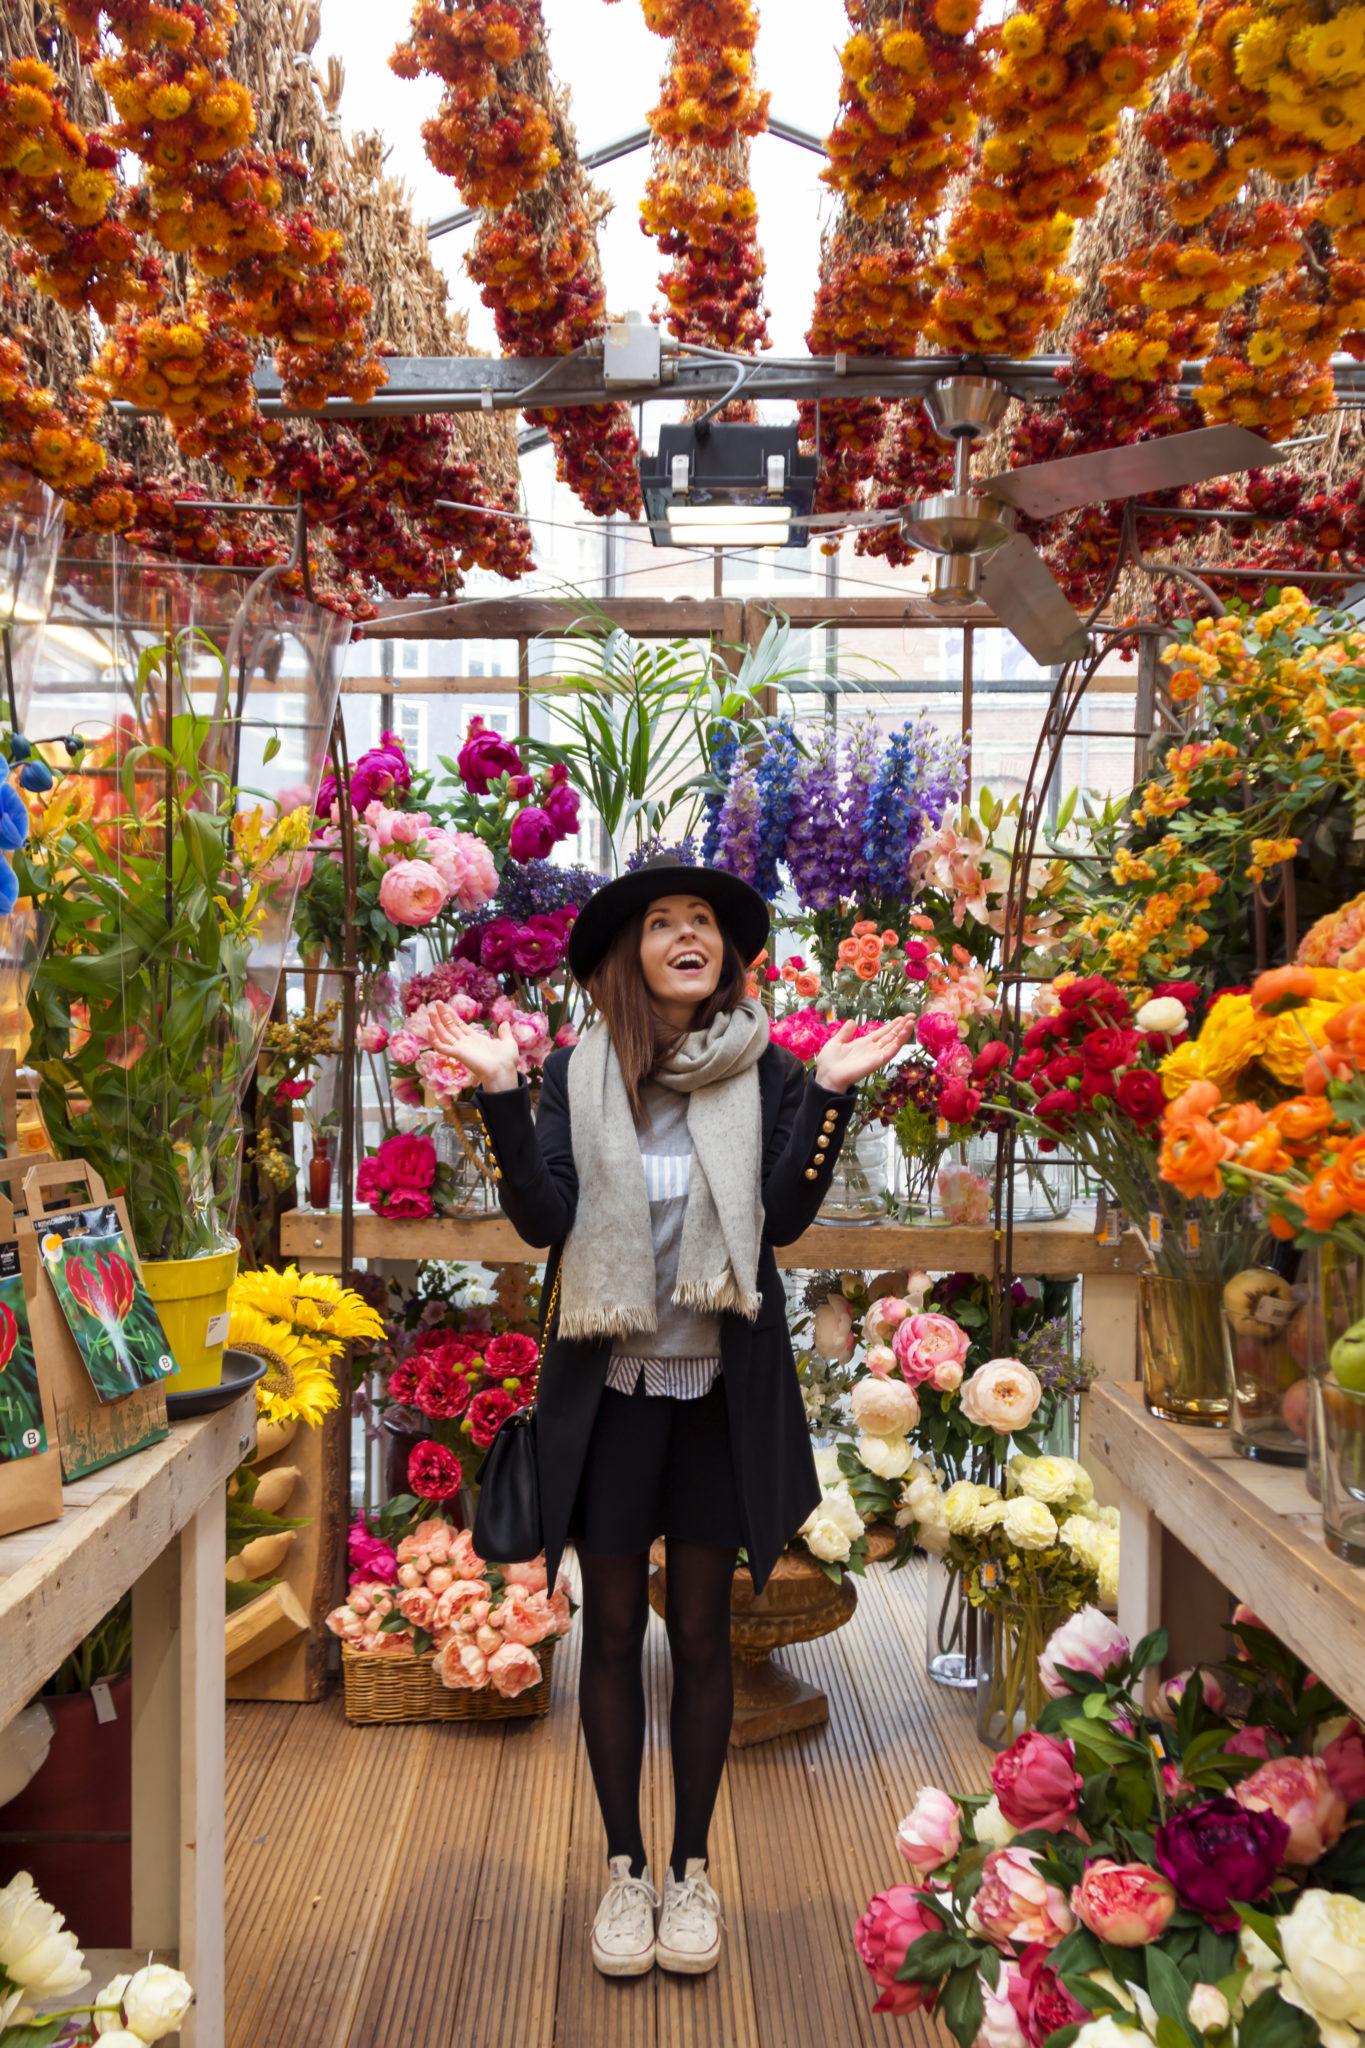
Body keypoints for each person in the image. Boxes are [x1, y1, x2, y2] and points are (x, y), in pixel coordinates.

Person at [428, 858, 913, 1982]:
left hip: (714, 1402)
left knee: (699, 1633)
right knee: (607, 1632)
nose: (689, 932)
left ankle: (692, 1868)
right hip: (609, 1404)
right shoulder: (577, 1074)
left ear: (725, 954)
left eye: (704, 921)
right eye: (665, 921)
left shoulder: (772, 1072)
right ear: (629, 955)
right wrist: (502, 1086)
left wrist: (832, 1091)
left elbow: (783, 1216)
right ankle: (625, 1864)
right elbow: (545, 1214)